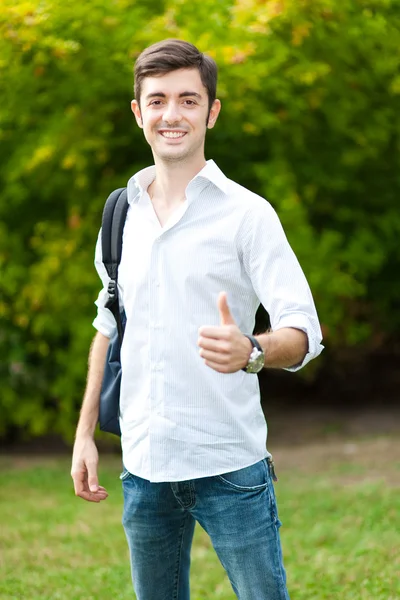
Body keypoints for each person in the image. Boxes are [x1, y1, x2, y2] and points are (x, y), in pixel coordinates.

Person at [71, 39, 323, 600]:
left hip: (230, 467)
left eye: (188, 100)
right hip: (143, 467)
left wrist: (252, 351)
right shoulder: (120, 214)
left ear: (211, 111)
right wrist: (85, 434)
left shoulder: (248, 215)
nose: (171, 114)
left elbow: (305, 330)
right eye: (157, 100)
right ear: (138, 113)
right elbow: (108, 324)